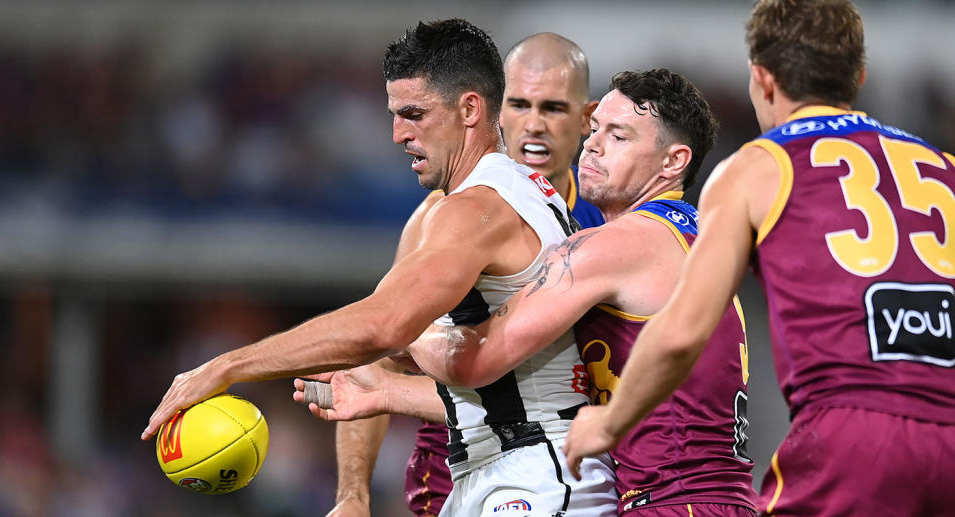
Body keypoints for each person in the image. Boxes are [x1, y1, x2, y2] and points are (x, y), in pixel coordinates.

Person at [142, 18, 616, 516]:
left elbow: (381, 328)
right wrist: (353, 494)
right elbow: (375, 360)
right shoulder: (483, 202)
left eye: (413, 114)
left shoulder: (480, 210)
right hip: (498, 466)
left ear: (470, 108)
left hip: (538, 471)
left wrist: (226, 367)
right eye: (394, 114)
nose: (397, 134)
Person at [562, 2, 955, 516]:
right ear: (858, 77)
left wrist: (609, 422)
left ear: (762, 80)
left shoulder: (757, 165)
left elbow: (683, 327)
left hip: (851, 433)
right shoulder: (943, 167)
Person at [317, 68, 758, 516]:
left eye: (619, 137)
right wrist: (390, 392)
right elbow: (536, 397)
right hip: (710, 496)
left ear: (673, 162)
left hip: (670, 501)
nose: (594, 144)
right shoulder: (686, 237)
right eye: (597, 129)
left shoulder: (615, 244)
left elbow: (481, 358)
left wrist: (401, 324)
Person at [322, 32, 601, 517]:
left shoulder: (607, 225)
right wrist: (353, 494)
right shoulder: (438, 219)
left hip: (549, 471)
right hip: (450, 476)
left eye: (552, 108)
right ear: (489, 108)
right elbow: (377, 357)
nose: (532, 125)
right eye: (518, 104)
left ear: (585, 119)